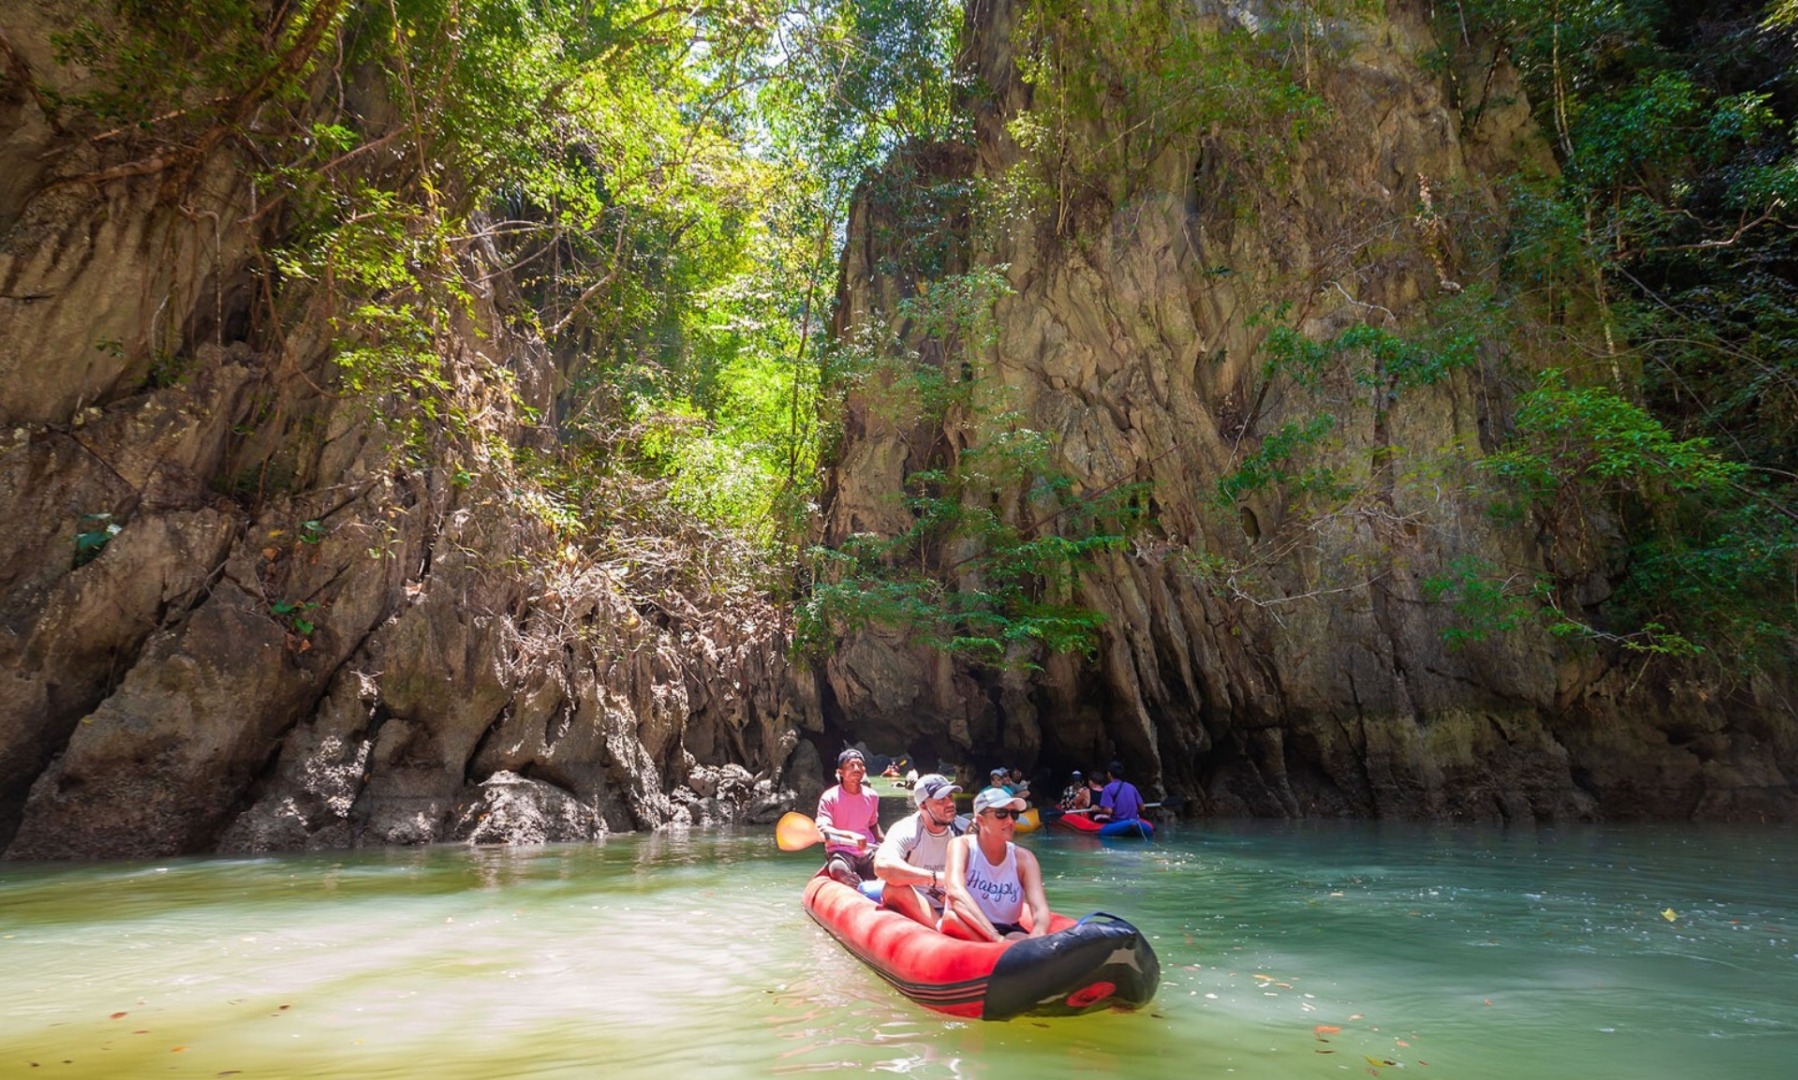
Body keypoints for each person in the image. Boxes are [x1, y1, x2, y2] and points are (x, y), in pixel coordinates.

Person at [939, 786, 1051, 942]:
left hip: (1008, 929)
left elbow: (1039, 908)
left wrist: (1039, 935)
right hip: (968, 925)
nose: (1010, 821)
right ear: (980, 820)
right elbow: (955, 892)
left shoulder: (1024, 858)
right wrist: (996, 938)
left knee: (1020, 938)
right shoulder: (961, 846)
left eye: (1014, 814)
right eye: (1001, 814)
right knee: (952, 919)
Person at [874, 773, 962, 926]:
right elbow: (882, 866)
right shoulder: (906, 830)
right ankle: (940, 930)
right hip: (917, 902)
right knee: (894, 888)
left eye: (951, 797)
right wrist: (934, 879)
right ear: (922, 806)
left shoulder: (964, 828)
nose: (950, 804)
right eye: (941, 800)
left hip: (954, 901)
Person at [817, 748, 884, 886]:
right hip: (841, 851)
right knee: (838, 869)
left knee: (887, 866)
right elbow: (823, 829)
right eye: (851, 765)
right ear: (840, 772)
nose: (856, 769)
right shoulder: (829, 797)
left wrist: (887, 843)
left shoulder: (872, 796)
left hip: (868, 852)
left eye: (860, 765)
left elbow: (873, 825)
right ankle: (855, 888)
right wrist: (851, 836)